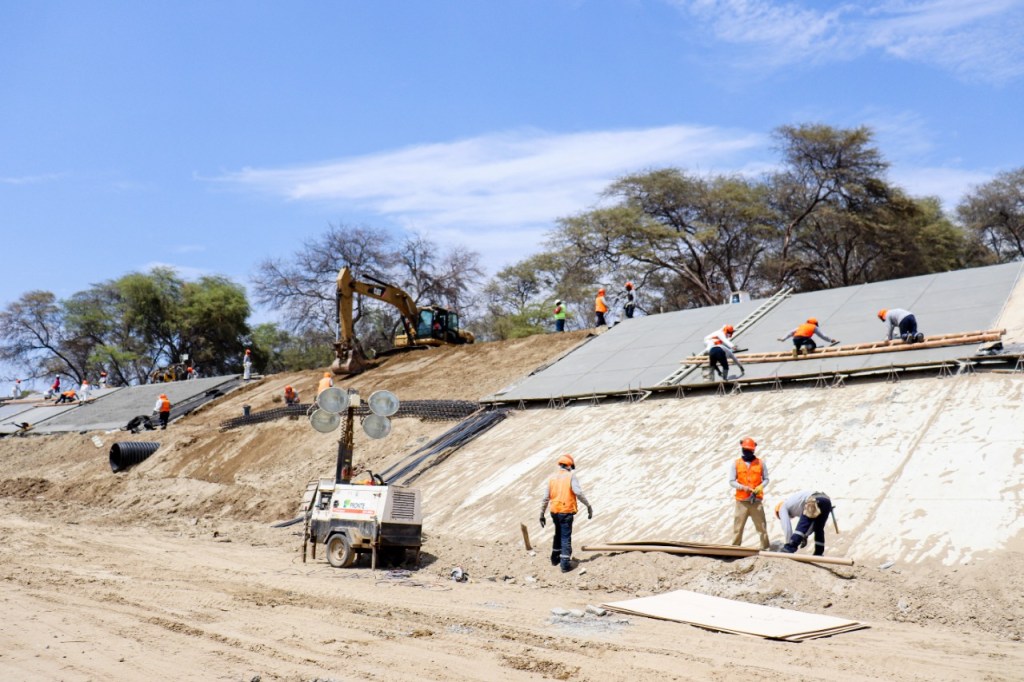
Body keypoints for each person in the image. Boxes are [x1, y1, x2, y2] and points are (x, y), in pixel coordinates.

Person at [539, 454, 593, 573]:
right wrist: (588, 506)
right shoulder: (571, 476)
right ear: (569, 465)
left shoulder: (552, 477)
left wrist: (541, 514)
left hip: (554, 511)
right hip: (566, 511)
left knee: (557, 534)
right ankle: (564, 565)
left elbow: (545, 498)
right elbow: (578, 493)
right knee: (565, 537)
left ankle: (555, 559)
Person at [729, 437, 770, 550]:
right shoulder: (736, 463)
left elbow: (766, 479)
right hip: (741, 502)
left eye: (749, 450)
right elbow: (731, 481)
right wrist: (742, 487)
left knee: (761, 527)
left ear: (753, 450)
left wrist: (760, 486)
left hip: (756, 501)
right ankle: (735, 549)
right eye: (744, 450)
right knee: (738, 527)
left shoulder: (760, 463)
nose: (746, 452)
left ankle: (765, 548)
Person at [777, 490, 833, 556]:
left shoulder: (782, 507)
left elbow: (787, 527)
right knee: (818, 528)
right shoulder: (795, 505)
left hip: (814, 499)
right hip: (827, 501)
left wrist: (788, 544)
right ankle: (819, 552)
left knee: (802, 525)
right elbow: (811, 525)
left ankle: (790, 548)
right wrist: (805, 536)